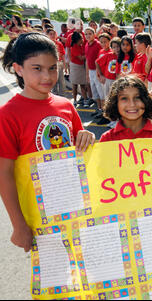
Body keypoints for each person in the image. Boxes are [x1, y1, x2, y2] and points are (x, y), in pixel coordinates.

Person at [0, 33, 95, 252]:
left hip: (75, 203)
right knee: (55, 275)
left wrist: (87, 137)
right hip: (39, 211)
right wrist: (18, 225)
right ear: (18, 68)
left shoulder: (66, 105)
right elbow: (4, 173)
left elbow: (80, 145)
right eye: (37, 68)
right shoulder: (8, 114)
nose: (47, 76)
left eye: (53, 68)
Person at [99, 76, 152, 142]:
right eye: (124, 98)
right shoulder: (107, 139)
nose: (132, 104)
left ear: (146, 101)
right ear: (115, 103)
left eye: (137, 97)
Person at [95, 37, 121, 125]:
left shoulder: (122, 56)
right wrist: (101, 75)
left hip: (117, 80)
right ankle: (109, 118)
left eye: (118, 47)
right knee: (108, 100)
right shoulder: (109, 55)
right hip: (109, 80)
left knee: (117, 100)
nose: (116, 49)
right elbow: (97, 62)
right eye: (113, 47)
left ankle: (116, 119)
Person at [85, 27, 104, 110]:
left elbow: (100, 60)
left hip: (97, 71)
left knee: (101, 91)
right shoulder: (86, 45)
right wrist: (87, 74)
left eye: (90, 33)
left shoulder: (98, 45)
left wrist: (99, 73)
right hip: (91, 71)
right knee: (94, 91)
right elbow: (87, 60)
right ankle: (99, 108)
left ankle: (103, 110)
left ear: (94, 34)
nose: (88, 36)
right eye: (86, 34)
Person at [69, 31, 89, 107]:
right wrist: (88, 54)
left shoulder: (81, 46)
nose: (83, 40)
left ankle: (85, 99)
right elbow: (81, 58)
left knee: (83, 84)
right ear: (78, 40)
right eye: (81, 39)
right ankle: (75, 100)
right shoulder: (74, 47)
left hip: (81, 66)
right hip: (75, 66)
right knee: (75, 85)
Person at [45, 28, 66, 96]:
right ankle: (54, 93)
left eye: (54, 34)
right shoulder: (46, 44)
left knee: (61, 79)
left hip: (59, 63)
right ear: (47, 35)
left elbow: (62, 55)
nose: (53, 35)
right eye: (50, 34)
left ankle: (62, 94)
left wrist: (65, 65)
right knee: (53, 80)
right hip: (50, 64)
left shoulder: (59, 44)